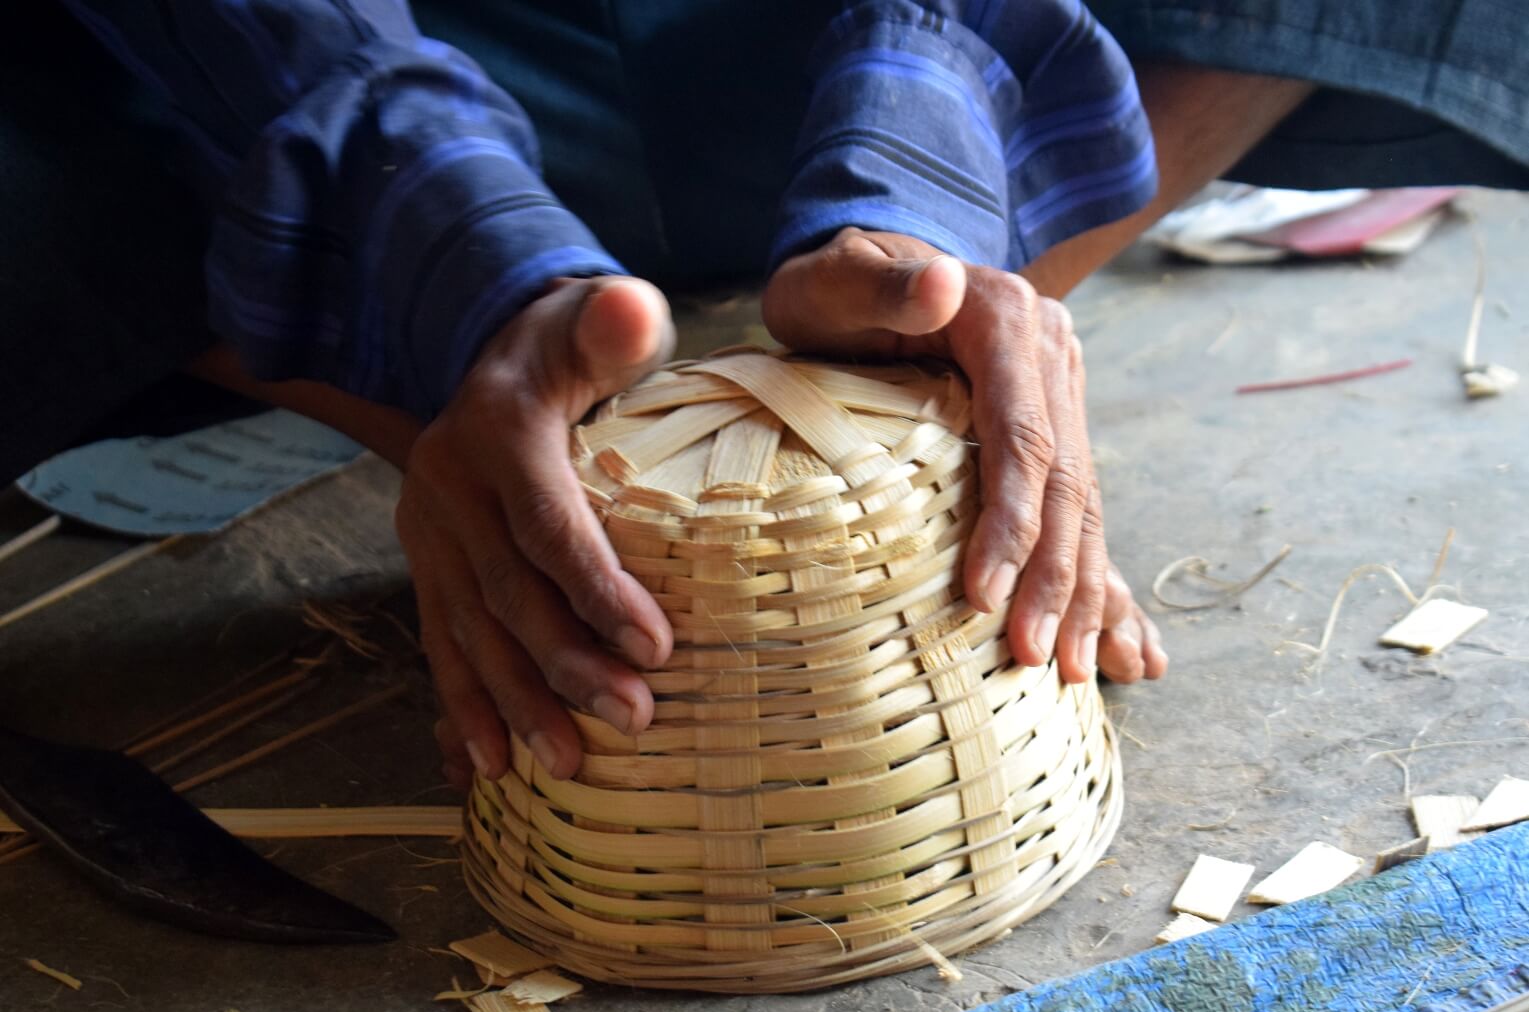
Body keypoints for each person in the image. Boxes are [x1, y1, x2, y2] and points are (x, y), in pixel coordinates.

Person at [9, 2, 1523, 789]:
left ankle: (918, 353)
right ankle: (493, 435)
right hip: (376, 63)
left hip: (771, 51)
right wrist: (446, 256)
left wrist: (915, 195)